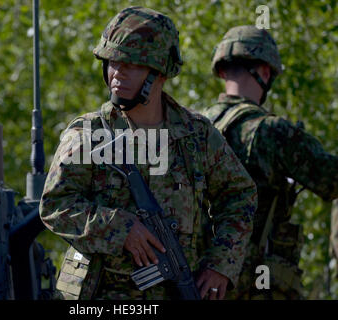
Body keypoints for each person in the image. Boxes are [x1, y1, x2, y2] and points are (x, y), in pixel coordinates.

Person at [40, 7, 257, 300]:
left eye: (132, 64)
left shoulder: (197, 135)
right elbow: (55, 206)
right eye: (113, 62)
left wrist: (221, 264)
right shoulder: (89, 134)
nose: (118, 73)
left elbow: (240, 195)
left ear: (160, 72)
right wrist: (119, 227)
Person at [202, 25, 338, 299]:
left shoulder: (191, 126)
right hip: (253, 284)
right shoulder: (272, 131)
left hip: (197, 281)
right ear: (265, 72)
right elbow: (332, 180)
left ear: (221, 71)